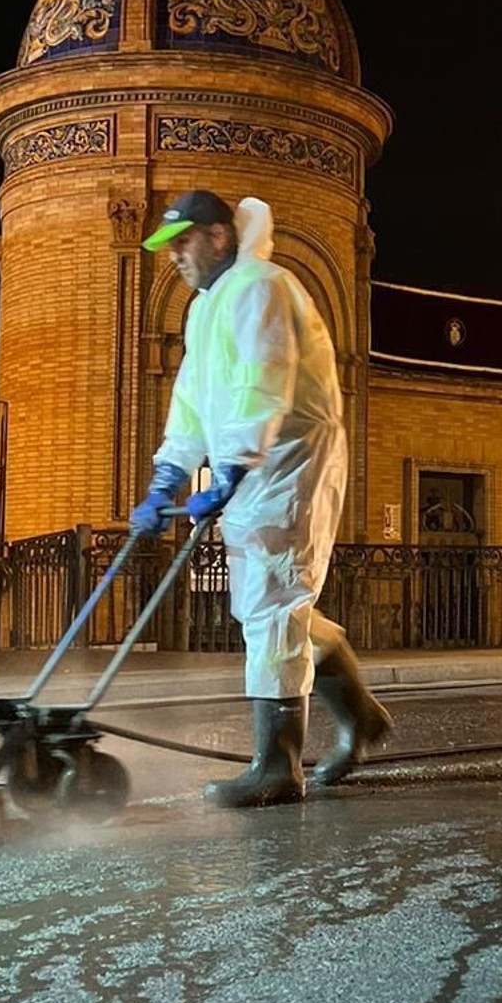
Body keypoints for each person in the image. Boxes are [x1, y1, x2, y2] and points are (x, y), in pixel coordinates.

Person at [131, 189, 392, 805]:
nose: (173, 257)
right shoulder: (205, 307)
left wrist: (229, 472)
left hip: (292, 457)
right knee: (266, 605)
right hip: (257, 460)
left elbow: (263, 381)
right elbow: (193, 402)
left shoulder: (261, 285)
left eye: (182, 242)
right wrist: (168, 475)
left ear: (219, 236)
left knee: (273, 599)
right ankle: (361, 717)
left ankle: (277, 767)